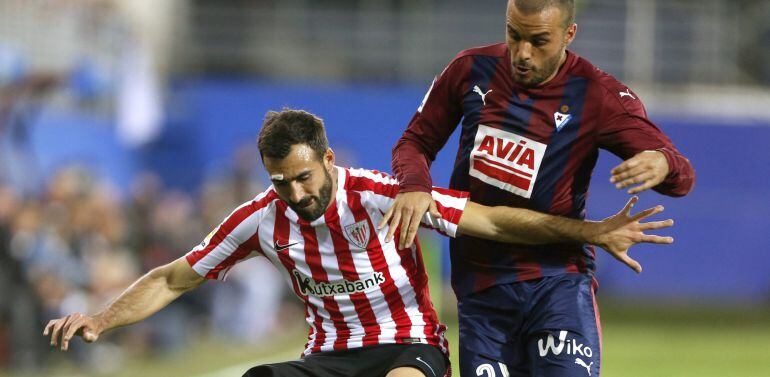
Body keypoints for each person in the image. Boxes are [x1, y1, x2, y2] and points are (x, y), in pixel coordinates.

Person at [44, 109, 674, 377]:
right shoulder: (261, 219)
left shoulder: (384, 195)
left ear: (328, 160)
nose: (295, 194)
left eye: (304, 177)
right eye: (281, 182)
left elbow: (494, 220)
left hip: (410, 347)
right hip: (331, 357)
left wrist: (589, 232)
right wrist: (100, 319)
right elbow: (173, 277)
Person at [385, 1, 695, 376]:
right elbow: (414, 142)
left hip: (557, 280)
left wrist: (662, 162)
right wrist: (415, 185)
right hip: (480, 287)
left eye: (539, 41)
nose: (523, 53)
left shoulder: (597, 95)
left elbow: (682, 176)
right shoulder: (470, 69)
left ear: (569, 34)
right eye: (514, 35)